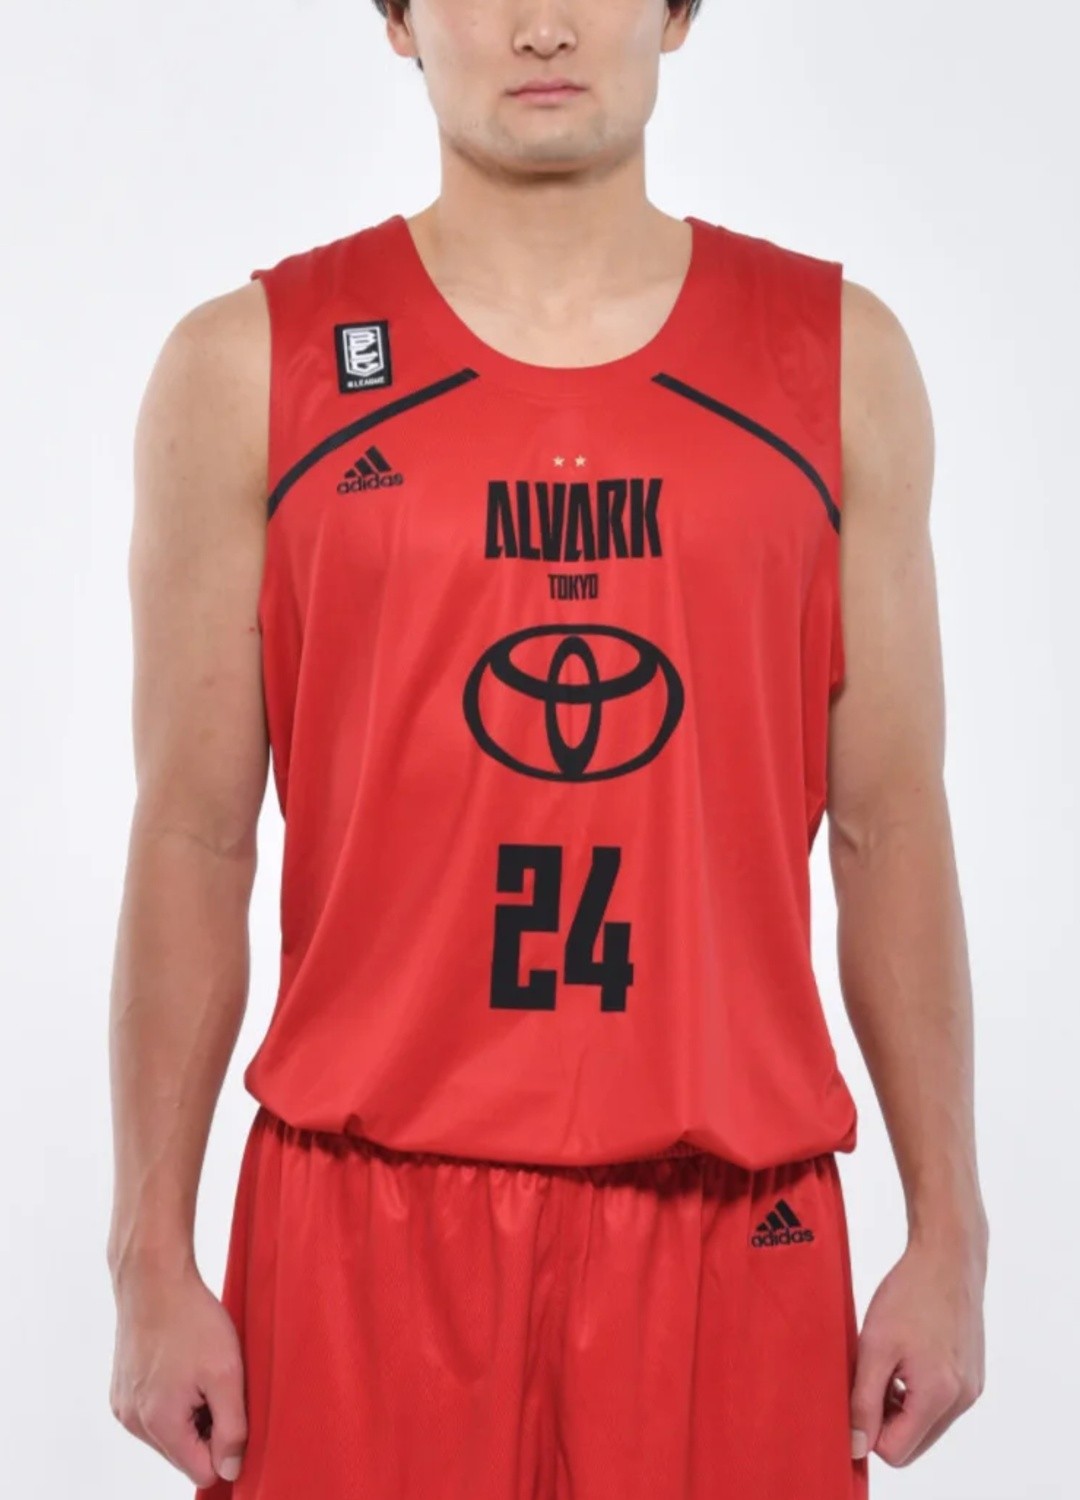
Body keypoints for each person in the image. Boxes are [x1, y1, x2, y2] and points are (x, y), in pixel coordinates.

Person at [105, 2, 988, 1496]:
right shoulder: (249, 367)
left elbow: (890, 822)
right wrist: (148, 1257)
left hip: (731, 1229)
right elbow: (193, 833)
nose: (541, 25)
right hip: (362, 1233)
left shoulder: (838, 364)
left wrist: (951, 1234)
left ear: (678, 12)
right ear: (397, 19)